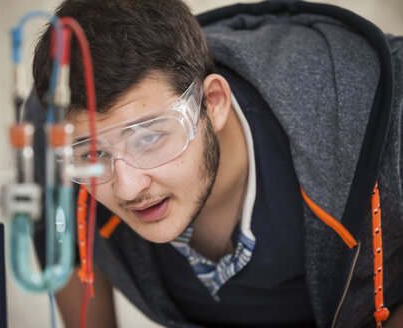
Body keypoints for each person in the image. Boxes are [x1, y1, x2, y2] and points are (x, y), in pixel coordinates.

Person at [26, 0, 403, 327]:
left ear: (213, 102)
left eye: (149, 138)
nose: (127, 188)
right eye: (93, 154)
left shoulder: (386, 116)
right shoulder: (54, 130)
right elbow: (61, 243)